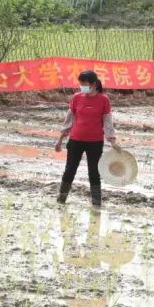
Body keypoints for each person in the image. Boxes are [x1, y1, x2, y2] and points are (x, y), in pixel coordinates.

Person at [54, 70, 117, 208]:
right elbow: (69, 120)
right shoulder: (76, 98)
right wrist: (60, 139)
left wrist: (112, 141)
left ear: (94, 84)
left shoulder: (103, 100)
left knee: (94, 172)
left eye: (85, 84)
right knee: (70, 169)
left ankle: (96, 203)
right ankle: (61, 199)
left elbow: (108, 122)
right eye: (80, 84)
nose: (82, 87)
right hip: (75, 140)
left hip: (95, 142)